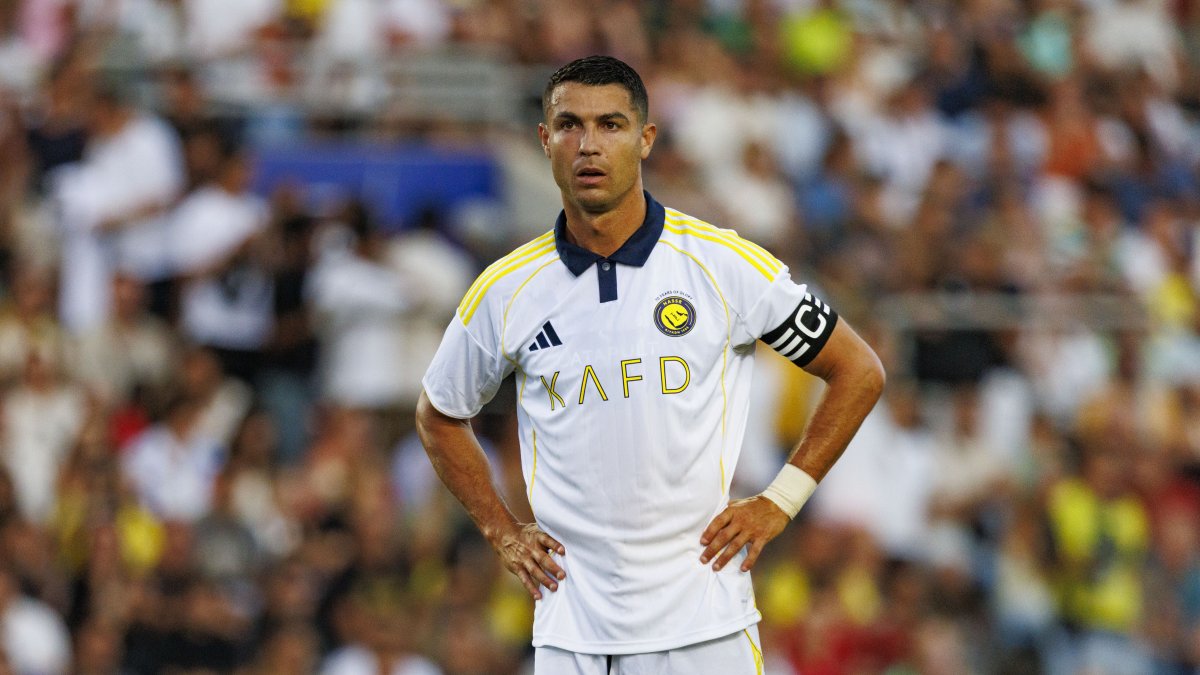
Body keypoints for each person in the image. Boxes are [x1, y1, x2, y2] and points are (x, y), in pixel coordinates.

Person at [416, 55, 885, 675]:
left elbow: (858, 369)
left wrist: (780, 500)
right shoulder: (506, 290)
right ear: (545, 140)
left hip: (704, 629)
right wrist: (501, 529)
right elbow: (439, 414)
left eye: (610, 125)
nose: (589, 145)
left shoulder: (722, 265)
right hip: (570, 633)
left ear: (646, 139)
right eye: (570, 125)